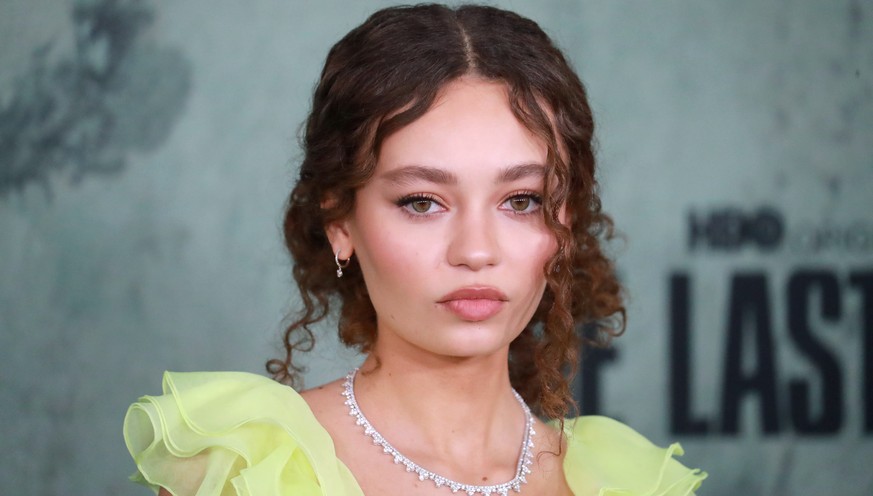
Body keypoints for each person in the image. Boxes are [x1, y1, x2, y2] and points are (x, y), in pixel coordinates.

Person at [123, 4, 706, 495]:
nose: (476, 252)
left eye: (521, 200)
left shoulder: (628, 483)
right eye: (423, 202)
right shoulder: (240, 469)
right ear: (340, 220)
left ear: (567, 224)